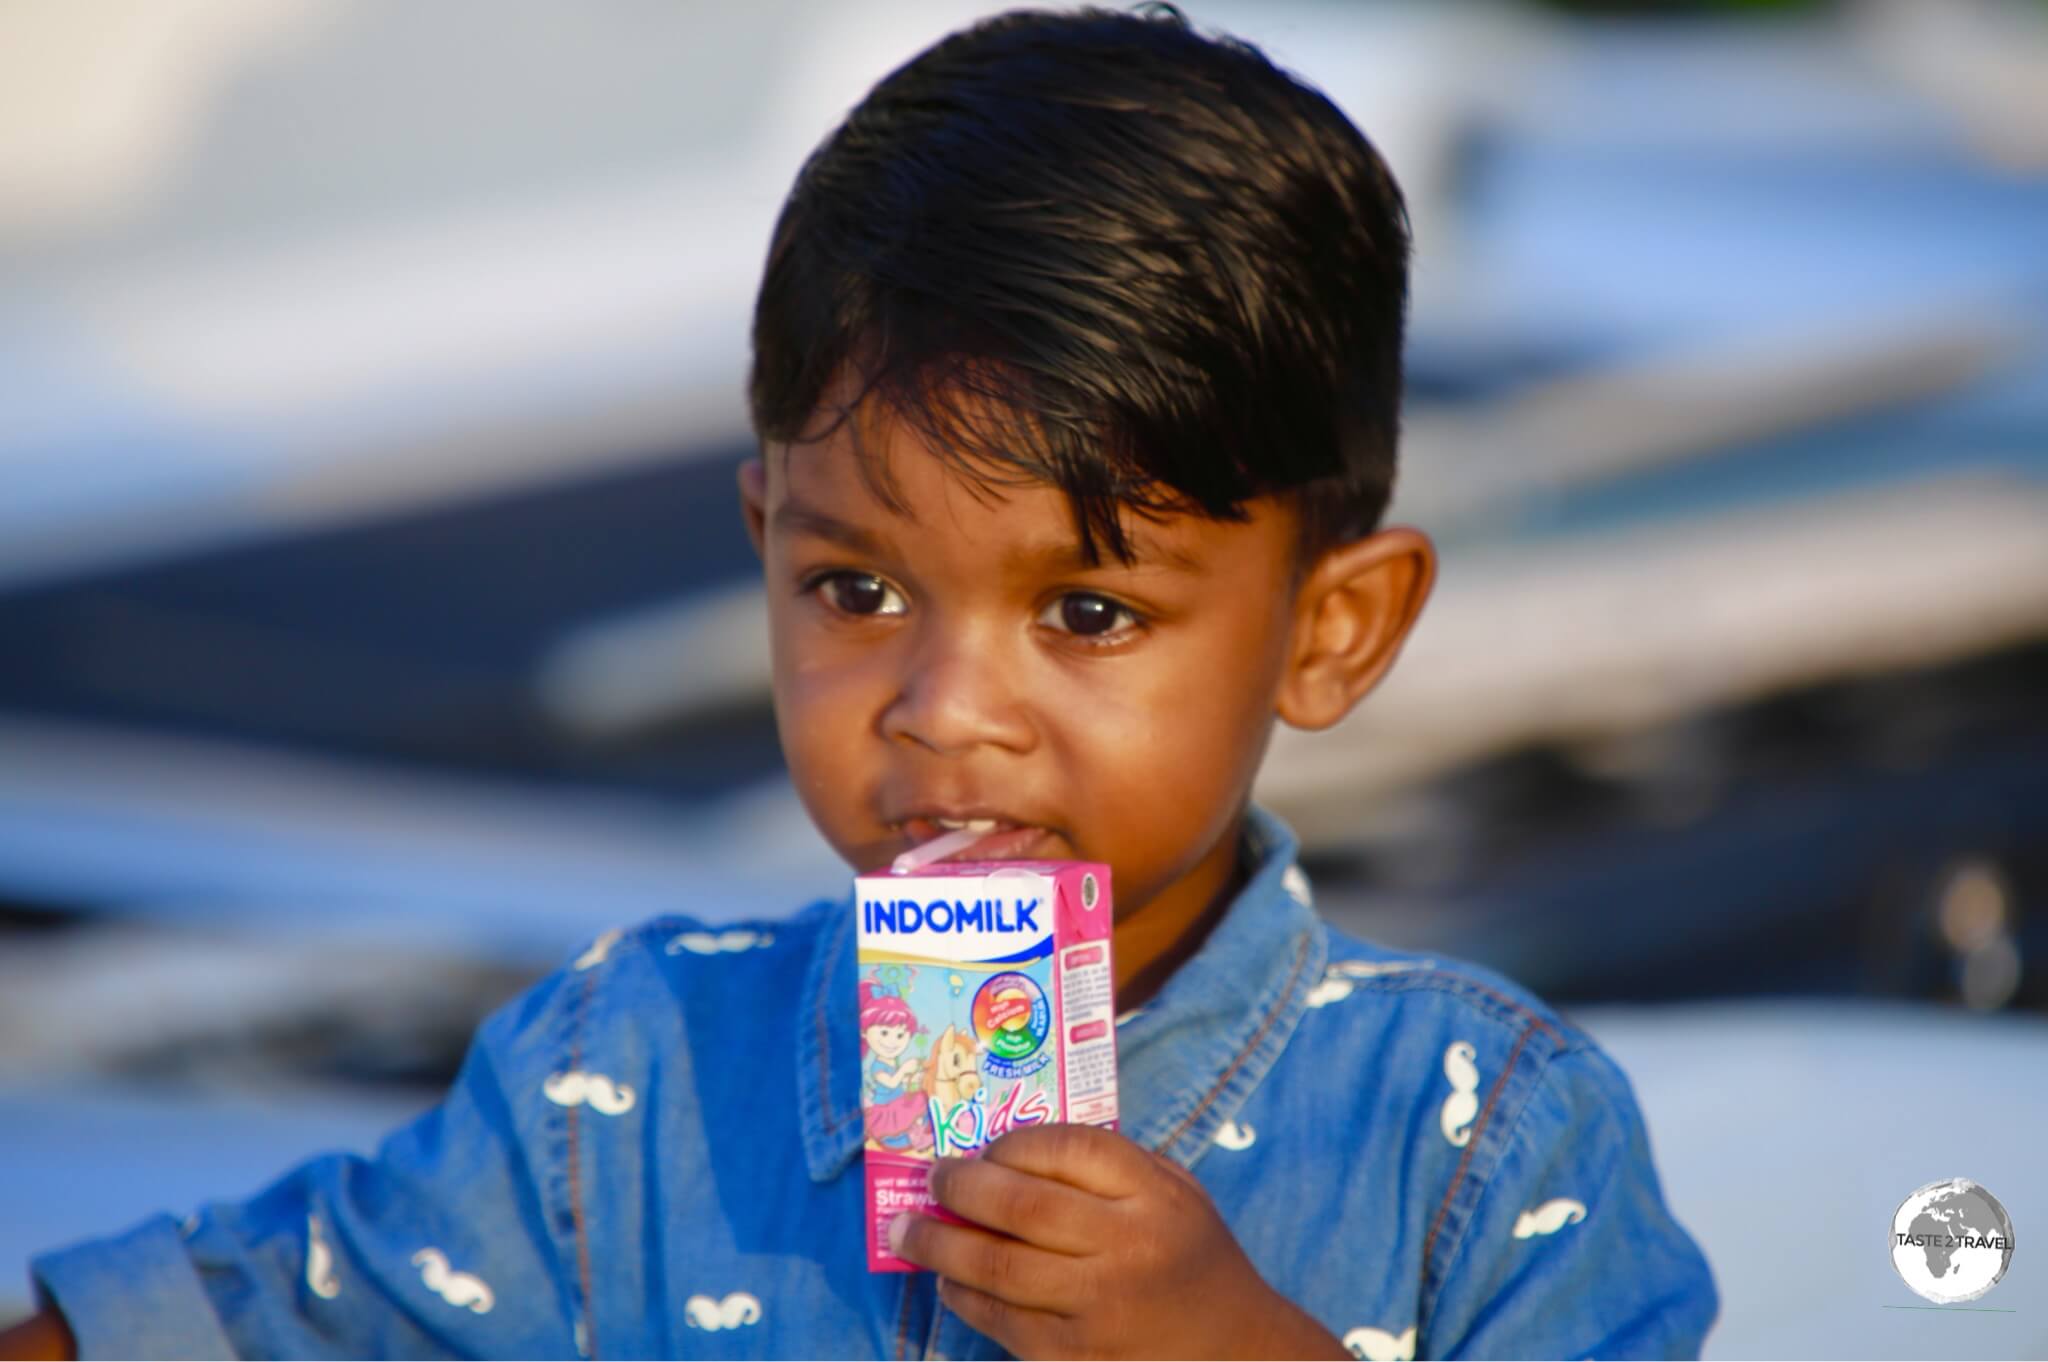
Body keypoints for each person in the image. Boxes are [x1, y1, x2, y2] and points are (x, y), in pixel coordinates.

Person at [1, 6, 1718, 1358]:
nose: (944, 706)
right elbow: (255, 1317)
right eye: (860, 587)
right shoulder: (631, 1078)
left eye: (1091, 612)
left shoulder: (1481, 1141)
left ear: (1332, 628)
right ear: (764, 543)